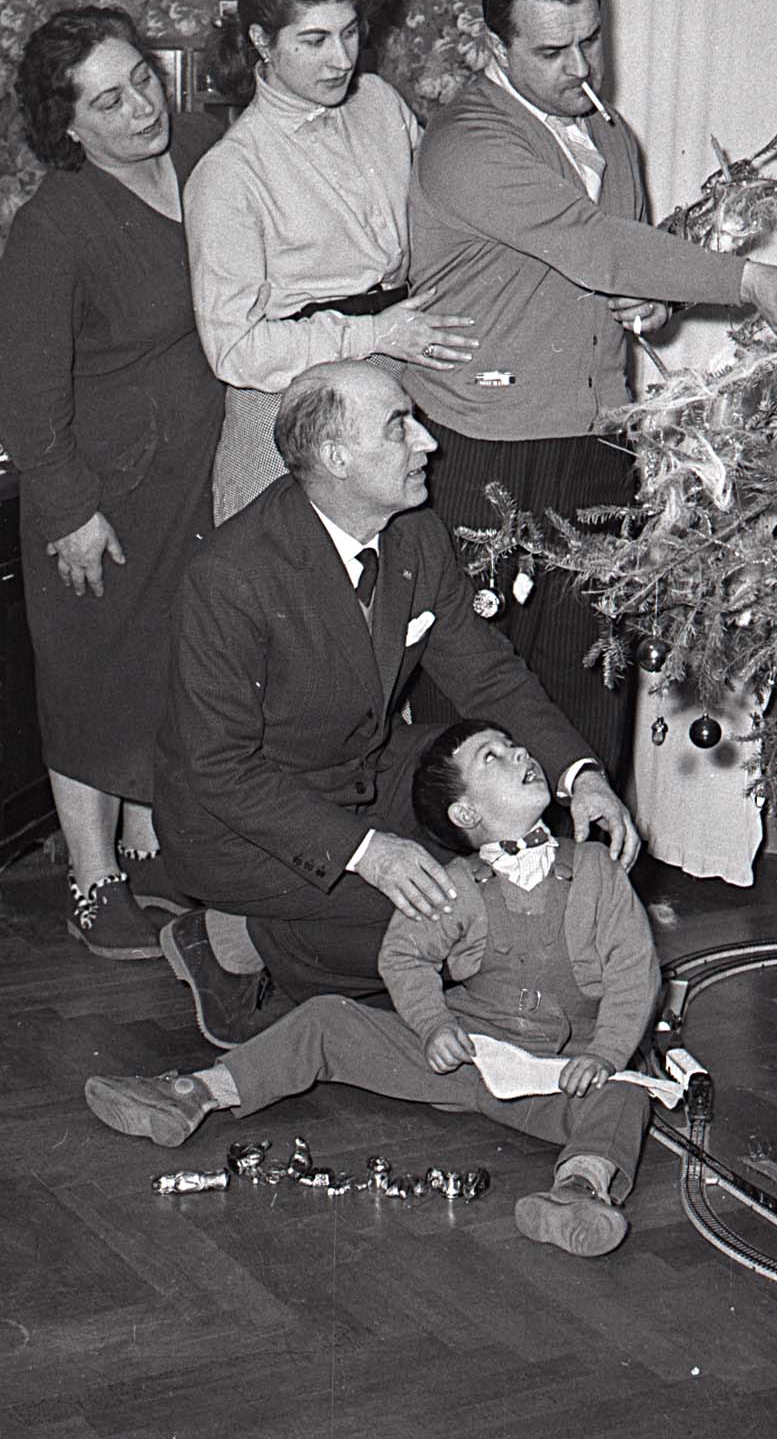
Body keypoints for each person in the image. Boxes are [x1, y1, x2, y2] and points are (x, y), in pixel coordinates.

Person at [405, 0, 777, 769]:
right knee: (473, 719)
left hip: (598, 443)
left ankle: (590, 857)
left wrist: (654, 302)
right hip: (484, 445)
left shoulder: (610, 136)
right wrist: (747, 281)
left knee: (589, 693)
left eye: (590, 40)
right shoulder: (468, 142)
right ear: (494, 47)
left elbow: (624, 265)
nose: (580, 69)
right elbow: (593, 245)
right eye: (550, 52)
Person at [150, 358, 640, 1051]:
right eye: (398, 427)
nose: (428, 443)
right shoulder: (231, 576)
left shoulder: (415, 534)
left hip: (362, 772)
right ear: (336, 458)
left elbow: (487, 677)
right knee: (456, 918)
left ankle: (281, 935)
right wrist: (366, 853)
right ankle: (235, 941)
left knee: (484, 868)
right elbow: (220, 770)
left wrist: (579, 775)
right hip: (241, 826)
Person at [87, 717, 659, 1258]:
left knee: (625, 1096)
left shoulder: (597, 870)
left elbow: (635, 970)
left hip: (562, 1074)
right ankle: (196, 1093)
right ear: (465, 813)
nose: (521, 754)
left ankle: (579, 1190)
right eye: (494, 756)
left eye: (514, 747)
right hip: (464, 1057)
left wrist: (606, 1055)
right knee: (327, 1019)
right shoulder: (458, 883)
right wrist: (433, 1026)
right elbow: (404, 955)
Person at [0, 6, 225, 960]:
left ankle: (146, 848)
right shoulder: (53, 226)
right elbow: (23, 397)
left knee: (166, 667)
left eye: (142, 81)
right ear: (69, 126)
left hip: (192, 478)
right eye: (108, 101)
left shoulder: (203, 153)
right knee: (92, 680)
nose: (141, 109)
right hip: (101, 497)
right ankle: (92, 883)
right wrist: (70, 512)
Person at [185, 0, 478, 524]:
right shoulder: (229, 174)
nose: (341, 59)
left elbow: (448, 216)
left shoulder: (378, 102)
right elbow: (235, 350)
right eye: (314, 40)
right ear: (261, 41)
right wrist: (376, 333)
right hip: (291, 412)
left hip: (396, 384)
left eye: (349, 32)